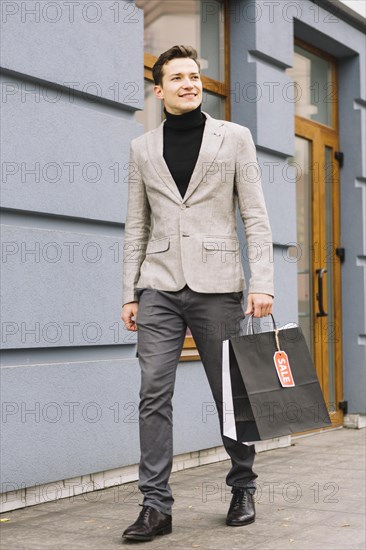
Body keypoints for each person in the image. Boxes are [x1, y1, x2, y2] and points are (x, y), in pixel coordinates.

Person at [121, 45, 274, 542]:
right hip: (158, 286)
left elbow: (255, 215)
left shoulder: (234, 138)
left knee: (231, 392)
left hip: (218, 286)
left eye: (194, 76)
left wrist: (263, 284)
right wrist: (130, 293)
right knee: (152, 394)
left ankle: (243, 485)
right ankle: (155, 506)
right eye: (178, 77)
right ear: (159, 89)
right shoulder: (141, 148)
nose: (189, 83)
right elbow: (136, 226)